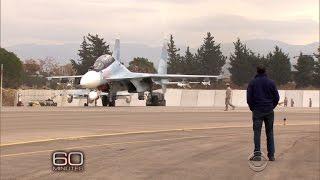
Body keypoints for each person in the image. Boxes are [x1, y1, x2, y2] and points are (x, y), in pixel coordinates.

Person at [247, 66, 279, 161]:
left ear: (257, 72)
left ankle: (257, 155)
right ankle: (271, 155)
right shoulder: (271, 82)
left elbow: (249, 98)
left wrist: (252, 108)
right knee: (269, 132)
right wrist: (271, 106)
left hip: (257, 110)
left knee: (257, 133)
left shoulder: (252, 82)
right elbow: (277, 97)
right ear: (265, 71)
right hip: (269, 110)